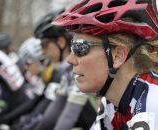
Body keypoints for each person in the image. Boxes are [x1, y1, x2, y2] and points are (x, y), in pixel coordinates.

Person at [52, 0, 158, 129]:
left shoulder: (152, 104)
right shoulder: (111, 102)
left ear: (118, 56)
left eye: (79, 48)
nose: (70, 59)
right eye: (71, 47)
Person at [33, 9, 98, 130]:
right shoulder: (67, 72)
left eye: (44, 45)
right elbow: (51, 115)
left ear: (61, 42)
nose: (42, 52)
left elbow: (68, 117)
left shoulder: (79, 71)